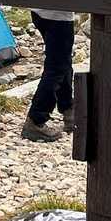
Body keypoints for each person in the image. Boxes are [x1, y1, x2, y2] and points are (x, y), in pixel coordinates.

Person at [21, 8, 77, 142]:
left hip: (41, 11)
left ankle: (68, 109)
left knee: (63, 62)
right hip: (58, 15)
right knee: (57, 67)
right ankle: (36, 120)